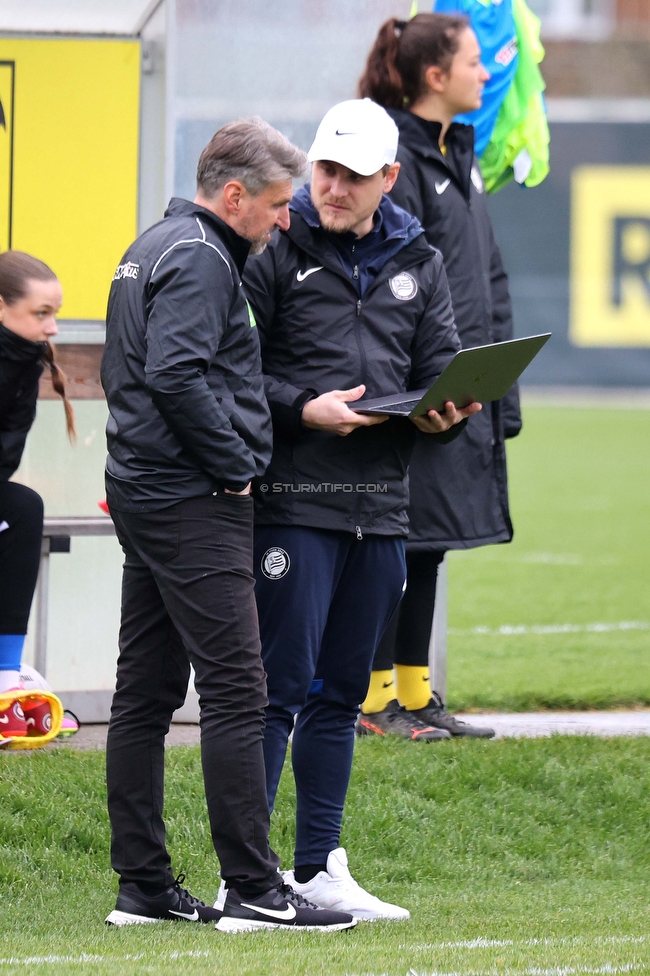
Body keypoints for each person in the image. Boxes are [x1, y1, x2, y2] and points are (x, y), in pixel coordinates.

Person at [101, 118, 356, 933]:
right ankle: (252, 885)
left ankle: (142, 886)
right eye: (279, 205)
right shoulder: (207, 258)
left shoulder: (152, 242)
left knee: (142, 694)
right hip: (191, 499)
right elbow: (174, 372)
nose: (287, 220)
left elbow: (126, 372)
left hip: (145, 490)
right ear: (235, 195)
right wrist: (235, 462)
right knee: (239, 689)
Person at [243, 98, 480, 920]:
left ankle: (318, 868)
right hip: (293, 504)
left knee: (341, 694)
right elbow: (238, 371)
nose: (333, 187)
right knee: (276, 690)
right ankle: (252, 874)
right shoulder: (272, 247)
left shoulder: (420, 257)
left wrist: (448, 410)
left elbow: (439, 363)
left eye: (353, 174)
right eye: (324, 169)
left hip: (381, 509)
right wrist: (304, 406)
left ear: (388, 177)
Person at [356, 13, 522, 740]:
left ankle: (418, 697)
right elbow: (397, 286)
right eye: (473, 62)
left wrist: (500, 389)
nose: (484, 73)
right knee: (393, 543)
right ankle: (369, 703)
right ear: (435, 76)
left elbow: (485, 276)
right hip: (416, 391)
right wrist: (414, 386)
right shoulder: (399, 160)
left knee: (428, 544)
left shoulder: (462, 152)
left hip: (462, 388)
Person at [0, 251, 77, 746]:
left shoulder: (24, 359)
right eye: (40, 313)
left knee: (22, 508)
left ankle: (6, 675)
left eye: (55, 313)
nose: (51, 327)